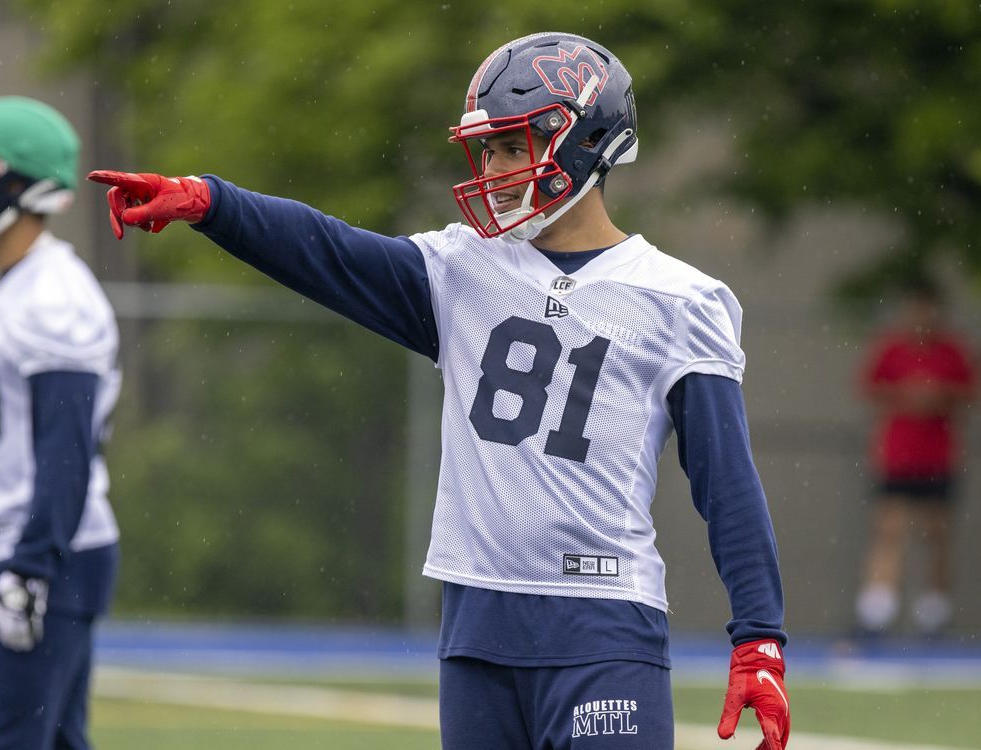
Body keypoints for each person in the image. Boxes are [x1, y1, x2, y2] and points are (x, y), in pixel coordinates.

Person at [89, 33, 789, 750]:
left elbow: (725, 480)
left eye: (514, 146)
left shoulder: (679, 299)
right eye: (487, 150)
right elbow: (326, 249)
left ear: (583, 142)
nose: (496, 168)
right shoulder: (462, 269)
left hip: (602, 623)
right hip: (476, 625)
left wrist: (758, 634)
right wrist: (211, 202)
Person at [0, 96, 122, 749]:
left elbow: (64, 452)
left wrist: (31, 570)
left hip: (40, 553)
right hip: (22, 544)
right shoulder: (16, 288)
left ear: (17, 181)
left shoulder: (52, 296)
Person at [854, 277, 974, 637]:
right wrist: (907, 394)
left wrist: (938, 395)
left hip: (937, 457)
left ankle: (933, 614)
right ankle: (877, 612)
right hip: (898, 455)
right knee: (889, 530)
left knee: (936, 533)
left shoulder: (952, 351)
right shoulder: (892, 349)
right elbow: (871, 387)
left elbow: (967, 391)